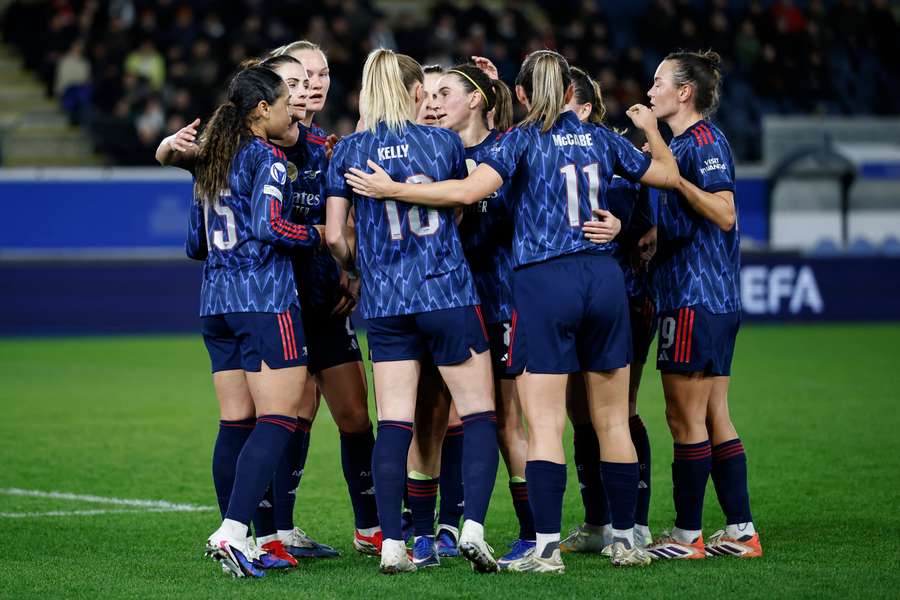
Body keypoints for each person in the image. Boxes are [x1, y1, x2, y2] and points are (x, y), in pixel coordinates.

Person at [344, 49, 679, 573]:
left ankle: (544, 546)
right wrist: (652, 130)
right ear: (572, 93)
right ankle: (628, 538)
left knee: (538, 425)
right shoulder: (602, 138)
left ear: (522, 95)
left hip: (542, 283)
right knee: (612, 419)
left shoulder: (519, 140)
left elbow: (467, 190)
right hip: (604, 277)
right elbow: (664, 173)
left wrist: (391, 189)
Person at [325, 48, 500, 575]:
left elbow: (334, 236)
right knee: (479, 414)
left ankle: (394, 545)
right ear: (416, 92)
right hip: (446, 292)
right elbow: (464, 203)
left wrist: (362, 261)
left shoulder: (348, 151)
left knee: (395, 422)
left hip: (386, 303)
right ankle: (470, 529)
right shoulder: (443, 142)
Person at [158, 55, 339, 563]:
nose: (292, 116)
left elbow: (197, 244)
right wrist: (318, 235)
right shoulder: (269, 160)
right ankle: (237, 532)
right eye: (285, 106)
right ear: (262, 110)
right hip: (264, 300)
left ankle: (244, 538)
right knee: (280, 416)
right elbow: (269, 227)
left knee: (236, 421)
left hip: (214, 302)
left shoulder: (212, 160)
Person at [641, 50, 762, 560]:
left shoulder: (703, 144)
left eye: (659, 82)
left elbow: (725, 213)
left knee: (683, 418)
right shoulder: (686, 144)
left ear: (684, 92)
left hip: (694, 299)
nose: (650, 91)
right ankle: (741, 531)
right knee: (714, 416)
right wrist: (653, 237)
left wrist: (676, 180)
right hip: (709, 299)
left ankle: (687, 535)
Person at [271, 40, 382, 556]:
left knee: (356, 415)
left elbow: (348, 219)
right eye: (301, 77)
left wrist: (351, 271)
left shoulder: (328, 147)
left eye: (322, 74)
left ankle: (370, 527)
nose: (314, 83)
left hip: (326, 299)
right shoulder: (259, 147)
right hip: (276, 304)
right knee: (291, 414)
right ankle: (278, 529)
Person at [426, 63, 534, 570]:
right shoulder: (435, 152)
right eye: (428, 93)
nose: (434, 101)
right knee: (444, 415)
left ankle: (533, 530)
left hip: (501, 300)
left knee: (507, 421)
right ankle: (449, 525)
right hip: (448, 302)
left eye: (445, 92)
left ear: (476, 99)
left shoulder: (507, 148)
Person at [560, 67, 657, 553]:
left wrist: (633, 228)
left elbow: (647, 226)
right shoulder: (552, 157)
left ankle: (634, 521)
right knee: (580, 413)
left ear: (581, 108)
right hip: (574, 298)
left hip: (626, 299)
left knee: (620, 411)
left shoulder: (616, 156)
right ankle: (598, 523)